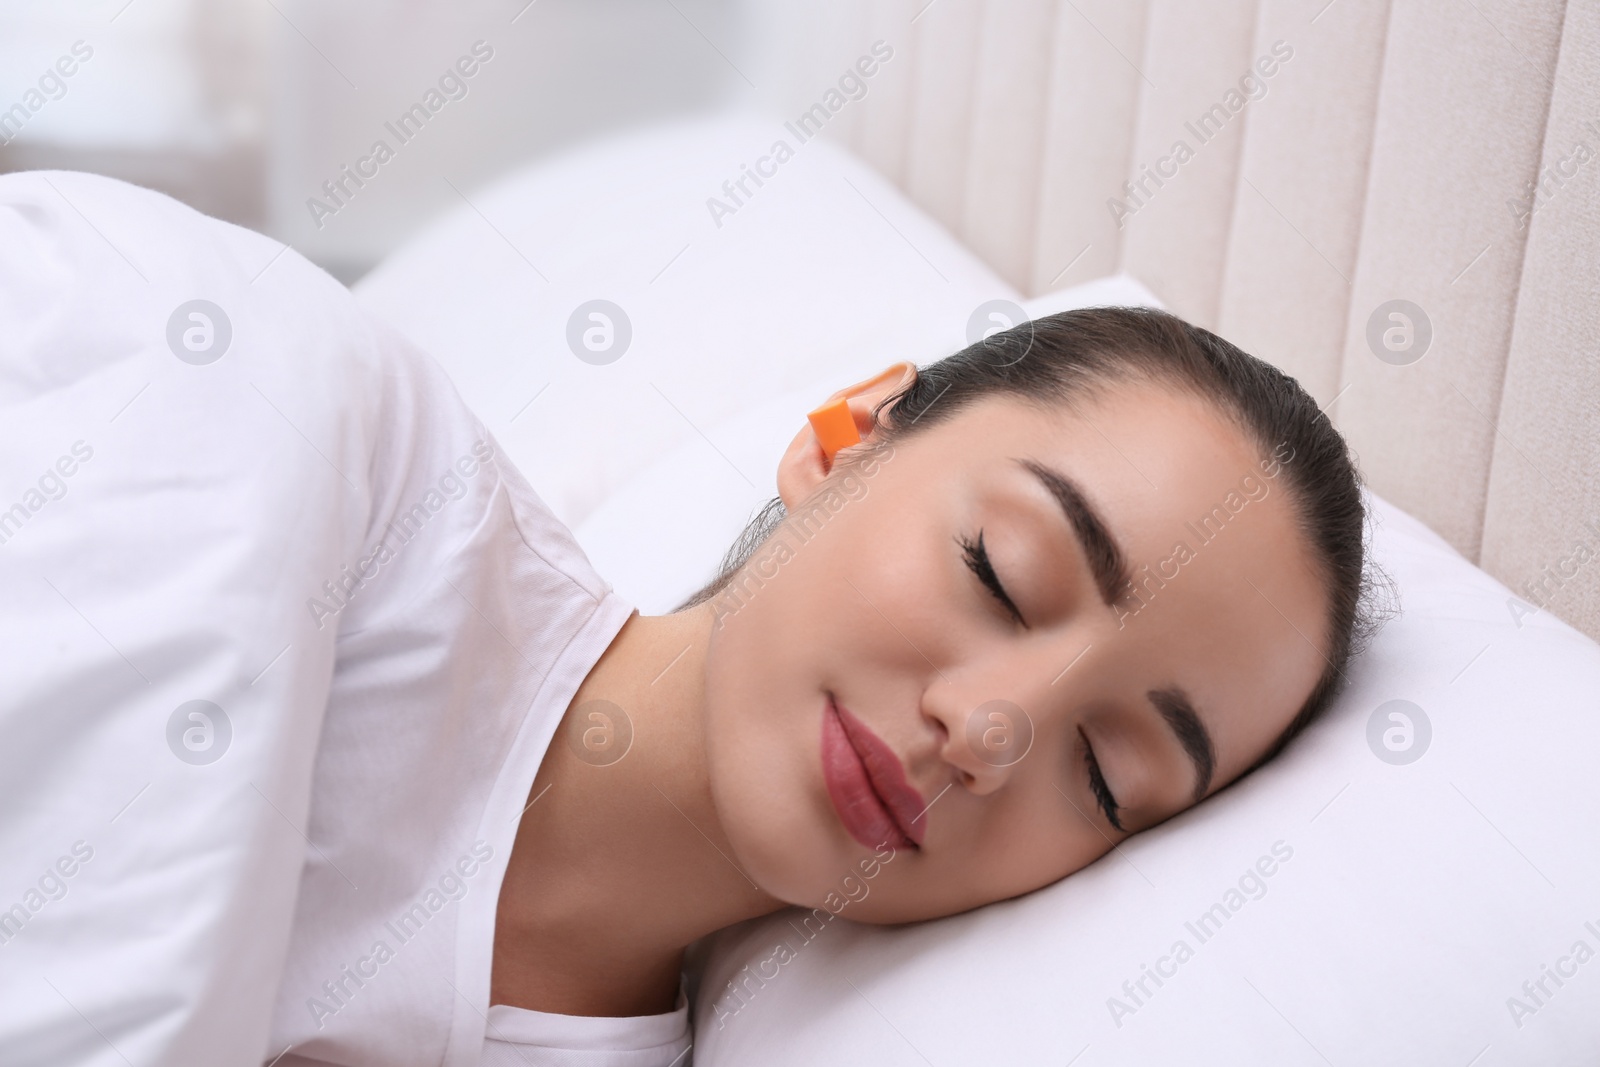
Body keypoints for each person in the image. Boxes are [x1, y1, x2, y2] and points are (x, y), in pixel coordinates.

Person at [0, 172, 1380, 1067]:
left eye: (1108, 774)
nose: (995, 729)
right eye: (1002, 572)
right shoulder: (278, 404)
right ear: (848, 437)